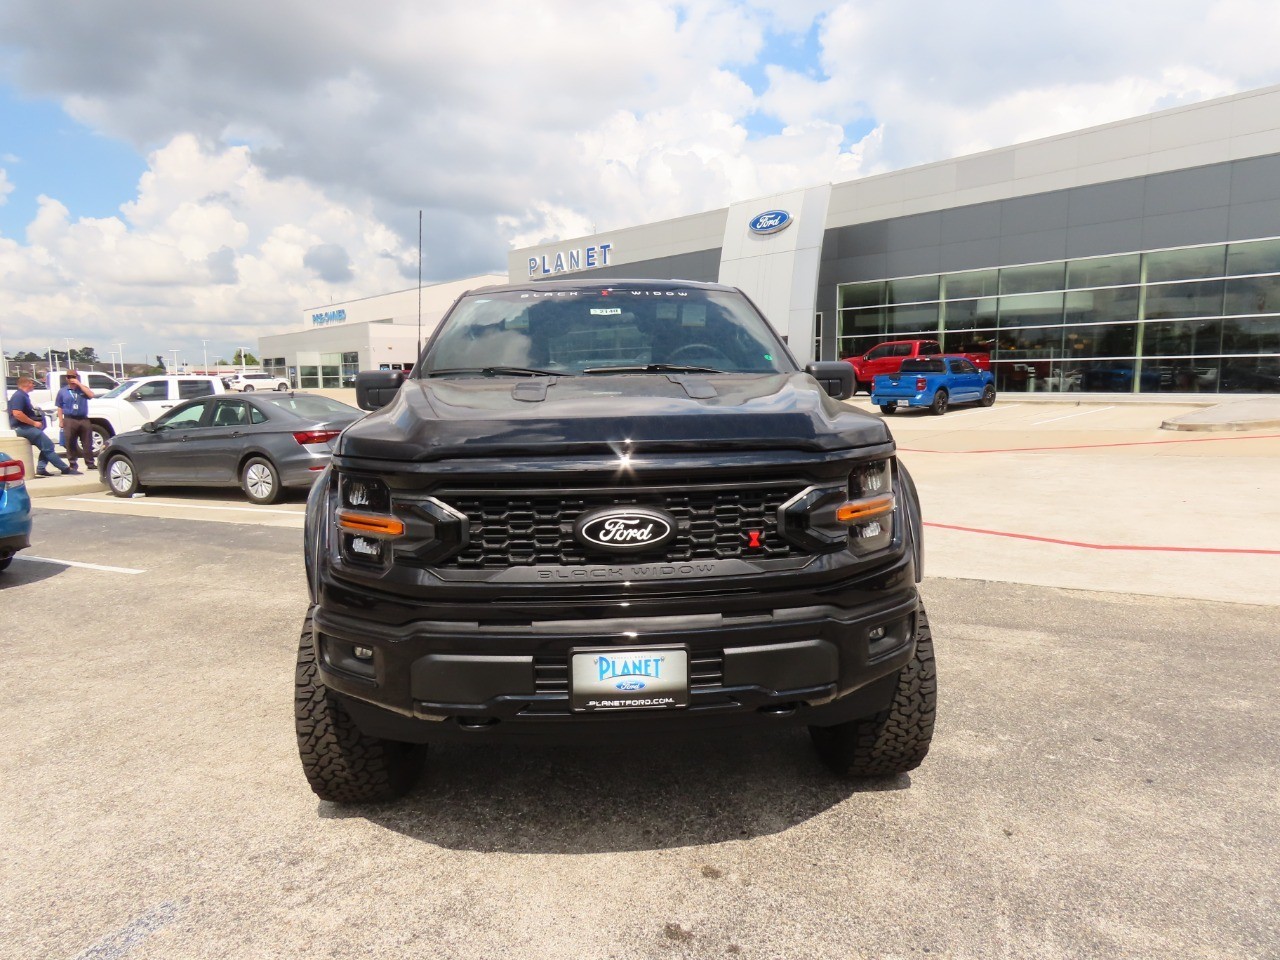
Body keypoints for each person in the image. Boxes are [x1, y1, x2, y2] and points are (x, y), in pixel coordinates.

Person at [6, 376, 71, 477]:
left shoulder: (23, 396)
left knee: (45, 446)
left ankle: (41, 468)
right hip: (23, 428)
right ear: (26, 384)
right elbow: (17, 413)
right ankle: (64, 468)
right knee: (49, 446)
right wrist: (34, 423)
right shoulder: (19, 396)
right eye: (32, 383)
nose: (34, 385)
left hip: (26, 427)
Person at [56, 369, 96, 473]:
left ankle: (90, 463)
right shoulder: (62, 391)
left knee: (87, 442)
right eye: (69, 377)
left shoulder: (82, 389)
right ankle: (73, 464)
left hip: (83, 418)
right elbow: (59, 407)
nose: (71, 379)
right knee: (70, 442)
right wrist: (61, 420)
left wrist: (79, 384)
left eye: (73, 377)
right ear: (66, 378)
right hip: (70, 418)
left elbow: (91, 395)